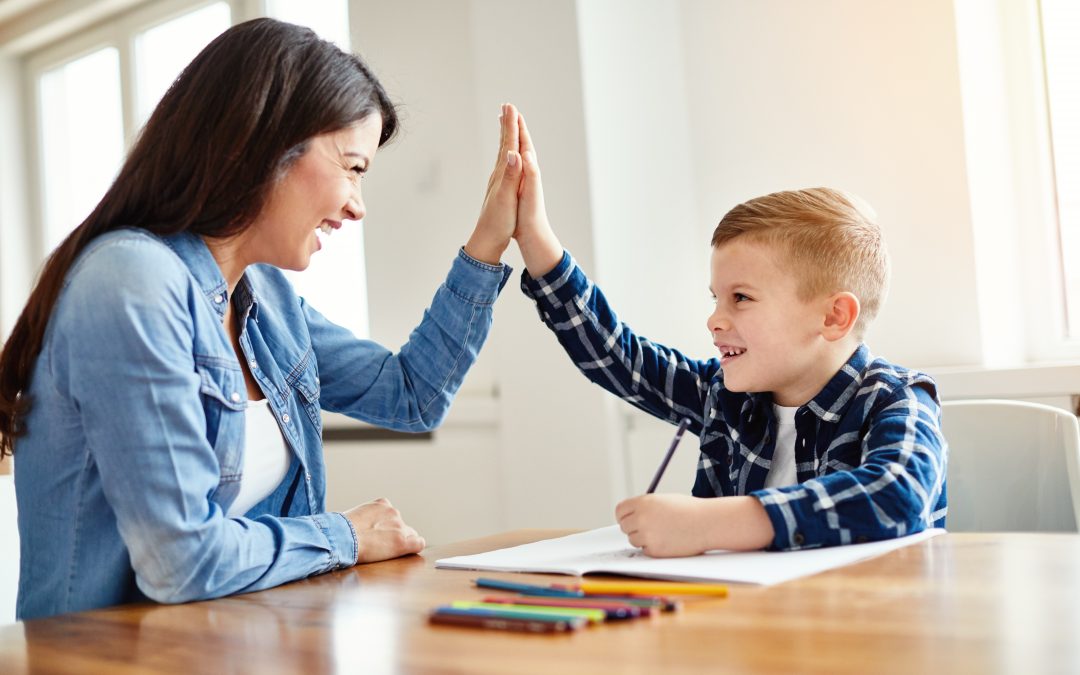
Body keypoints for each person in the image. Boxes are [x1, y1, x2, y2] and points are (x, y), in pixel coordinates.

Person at [0, 19, 526, 620]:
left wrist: (488, 242)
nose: (358, 206)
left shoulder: (264, 297)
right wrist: (346, 536)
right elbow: (182, 561)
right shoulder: (131, 283)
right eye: (353, 167)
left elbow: (412, 396)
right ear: (264, 143)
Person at [505, 109, 947, 556]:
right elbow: (619, 357)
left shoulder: (895, 399)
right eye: (715, 298)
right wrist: (535, 238)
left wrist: (712, 525)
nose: (714, 319)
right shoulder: (726, 394)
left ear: (833, 317)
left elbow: (898, 495)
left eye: (741, 298)